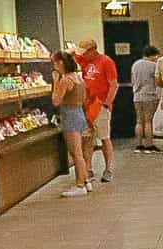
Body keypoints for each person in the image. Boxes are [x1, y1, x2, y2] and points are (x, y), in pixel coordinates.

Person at [75, 38, 119, 183]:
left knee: (104, 137)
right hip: (86, 106)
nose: (82, 56)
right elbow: (69, 55)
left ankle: (108, 169)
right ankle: (88, 169)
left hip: (100, 105)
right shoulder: (84, 61)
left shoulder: (106, 61)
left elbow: (113, 84)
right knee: (87, 138)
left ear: (93, 50)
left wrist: (107, 103)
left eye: (85, 52)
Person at [51, 51, 93, 198]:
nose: (54, 66)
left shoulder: (66, 80)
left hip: (69, 115)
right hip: (79, 113)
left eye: (55, 63)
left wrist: (56, 81)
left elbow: (56, 100)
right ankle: (86, 180)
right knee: (80, 150)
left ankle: (79, 184)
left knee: (76, 153)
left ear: (60, 63)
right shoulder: (79, 78)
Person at [131, 44, 161, 152]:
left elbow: (133, 80)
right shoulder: (153, 65)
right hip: (149, 95)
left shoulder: (135, 64)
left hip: (137, 96)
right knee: (148, 121)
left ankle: (139, 145)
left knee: (139, 120)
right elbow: (158, 80)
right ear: (152, 55)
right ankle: (149, 144)